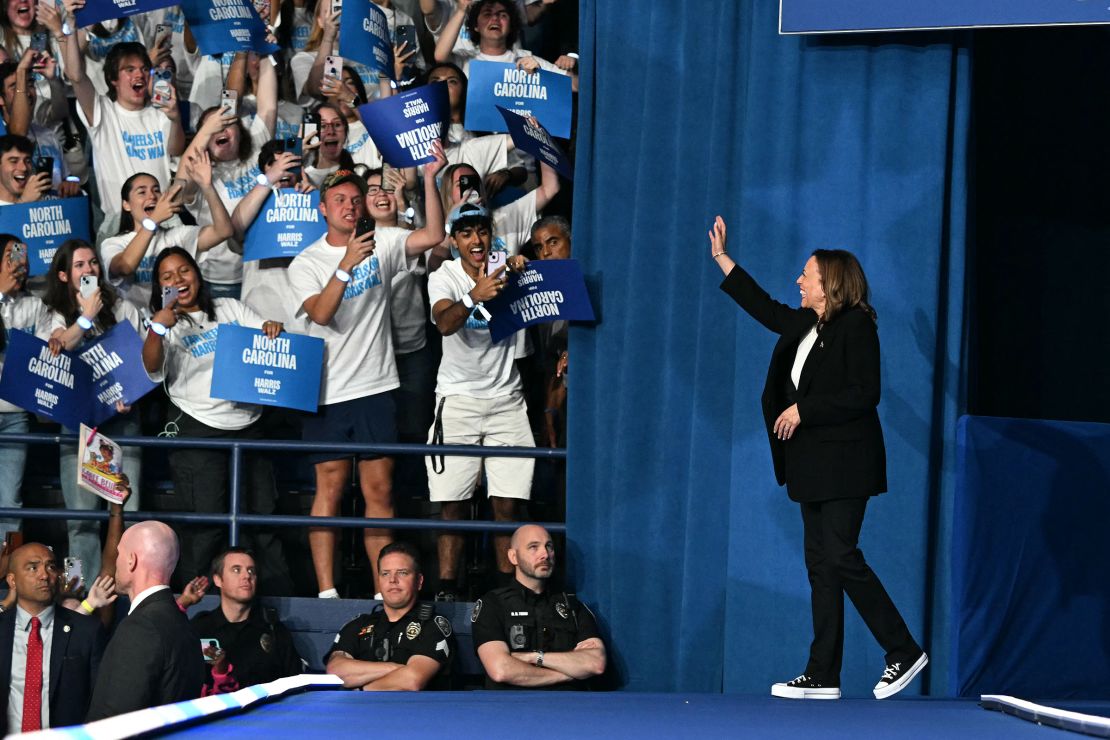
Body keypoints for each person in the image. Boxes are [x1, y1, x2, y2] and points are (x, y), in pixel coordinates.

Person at [709, 216, 928, 700]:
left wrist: (803, 409)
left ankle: (903, 650)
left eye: (806, 274)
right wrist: (723, 259)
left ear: (830, 283)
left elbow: (864, 393)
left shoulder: (856, 326)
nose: (799, 280)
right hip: (810, 467)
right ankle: (822, 672)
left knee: (842, 556)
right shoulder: (807, 323)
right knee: (821, 567)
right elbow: (765, 309)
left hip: (847, 465)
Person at [288, 146, 446, 599]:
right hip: (328, 392)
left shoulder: (386, 241)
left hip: (378, 387)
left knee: (380, 490)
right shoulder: (307, 262)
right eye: (339, 199)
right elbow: (319, 314)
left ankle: (384, 590)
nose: (350, 205)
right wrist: (345, 266)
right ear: (323, 209)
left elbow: (434, 234)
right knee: (330, 492)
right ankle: (326, 591)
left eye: (355, 198)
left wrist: (430, 177)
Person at [141, 247, 291, 594]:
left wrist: (271, 328)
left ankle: (280, 598)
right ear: (158, 286)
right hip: (198, 430)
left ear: (197, 274)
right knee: (205, 526)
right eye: (168, 276)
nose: (178, 280)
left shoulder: (229, 308)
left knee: (263, 520)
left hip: (250, 425)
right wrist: (157, 330)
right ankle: (196, 603)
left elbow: (269, 341)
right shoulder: (164, 324)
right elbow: (151, 369)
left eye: (184, 271)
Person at [425, 203, 532, 598]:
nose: (476, 240)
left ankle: (508, 591)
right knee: (452, 504)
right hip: (458, 400)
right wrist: (473, 297)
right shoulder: (444, 276)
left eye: (482, 232)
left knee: (508, 504)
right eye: (467, 233)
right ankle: (448, 589)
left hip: (507, 399)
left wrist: (525, 270)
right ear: (454, 241)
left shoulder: (506, 268)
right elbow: (444, 323)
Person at [86, 520, 205, 720]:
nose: (116, 562)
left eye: (119, 554)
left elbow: (116, 721)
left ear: (131, 560)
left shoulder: (141, 627)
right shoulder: (183, 623)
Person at [471, 524, 605, 689]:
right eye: (533, 547)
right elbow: (501, 670)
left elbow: (595, 663)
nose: (545, 554)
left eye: (549, 546)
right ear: (513, 557)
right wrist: (570, 674)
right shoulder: (493, 604)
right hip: (510, 708)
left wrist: (534, 657)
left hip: (567, 708)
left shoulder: (572, 606)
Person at [0, 543, 105, 734]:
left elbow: (100, 698)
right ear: (12, 581)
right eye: (33, 567)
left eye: (51, 566)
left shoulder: (86, 631)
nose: (44, 575)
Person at [324, 541, 453, 690]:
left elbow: (412, 680)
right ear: (378, 580)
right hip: (360, 713)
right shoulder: (359, 624)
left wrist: (361, 689)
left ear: (419, 581)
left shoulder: (433, 625)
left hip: (413, 711)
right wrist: (396, 669)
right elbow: (335, 671)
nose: (392, 580)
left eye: (402, 573)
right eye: (385, 573)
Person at [188, 548, 304, 694]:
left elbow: (294, 687)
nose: (246, 576)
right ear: (218, 579)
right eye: (236, 570)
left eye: (251, 571)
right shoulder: (201, 628)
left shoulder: (274, 631)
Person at [0, 234, 43, 537]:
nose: (20, 264)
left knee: (10, 502)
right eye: (11, 256)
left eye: (23, 257)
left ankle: (4, 578)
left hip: (16, 416)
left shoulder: (35, 305)